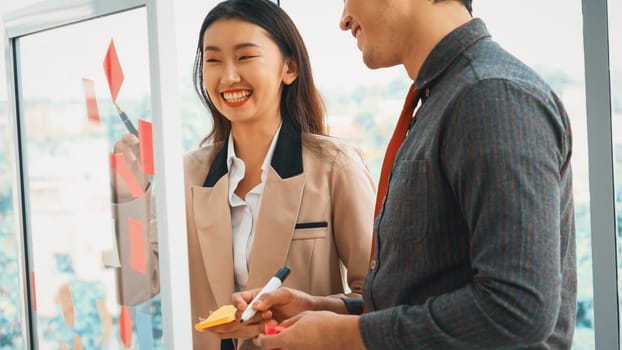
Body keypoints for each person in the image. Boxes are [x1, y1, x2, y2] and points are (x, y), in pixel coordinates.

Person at [233, 0, 577, 349]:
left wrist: (345, 336)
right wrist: (328, 311)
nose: (344, 18)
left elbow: (516, 310)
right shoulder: (449, 97)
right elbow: (432, 292)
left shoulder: (490, 96)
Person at [112, 0, 375, 349]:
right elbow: (135, 287)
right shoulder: (186, 175)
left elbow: (376, 297)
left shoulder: (335, 166)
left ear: (289, 68)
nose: (228, 76)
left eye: (245, 57)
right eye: (214, 60)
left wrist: (309, 312)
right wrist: (128, 193)